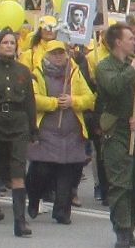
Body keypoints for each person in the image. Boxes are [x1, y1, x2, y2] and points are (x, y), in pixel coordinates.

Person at [94, 22, 135, 248]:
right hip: (117, 129)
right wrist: (132, 68)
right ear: (118, 42)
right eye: (130, 38)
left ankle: (131, 226)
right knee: (120, 182)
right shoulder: (105, 66)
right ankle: (121, 230)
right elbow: (113, 87)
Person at [26, 40, 94, 224]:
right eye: (54, 53)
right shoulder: (37, 73)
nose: (58, 56)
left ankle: (62, 210)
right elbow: (33, 99)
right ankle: (33, 198)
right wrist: (55, 103)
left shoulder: (74, 72)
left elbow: (90, 98)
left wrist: (73, 101)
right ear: (46, 55)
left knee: (68, 171)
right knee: (41, 169)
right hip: (46, 131)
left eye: (61, 53)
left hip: (72, 132)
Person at [0, 29, 37, 235]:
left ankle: (20, 223)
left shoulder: (23, 71)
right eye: (5, 43)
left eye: (12, 43)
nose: (8, 46)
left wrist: (33, 129)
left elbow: (30, 102)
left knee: (17, 174)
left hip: (18, 125)